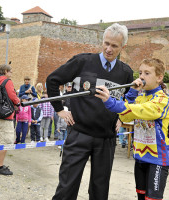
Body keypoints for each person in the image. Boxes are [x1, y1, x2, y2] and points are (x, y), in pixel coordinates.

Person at [46, 23, 133, 200]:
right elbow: (52, 80)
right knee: (67, 187)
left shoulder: (126, 72)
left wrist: (123, 117)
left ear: (123, 47)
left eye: (114, 46)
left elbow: (130, 98)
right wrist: (60, 109)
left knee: (100, 190)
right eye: (106, 43)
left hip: (106, 138)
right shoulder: (82, 62)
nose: (109, 49)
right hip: (79, 134)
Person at [95, 58, 169, 200]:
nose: (141, 77)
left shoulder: (163, 99)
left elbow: (141, 110)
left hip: (157, 160)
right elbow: (126, 117)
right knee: (140, 197)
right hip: (140, 157)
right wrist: (131, 94)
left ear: (159, 78)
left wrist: (111, 102)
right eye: (140, 72)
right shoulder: (140, 97)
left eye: (147, 73)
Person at [0, 64, 20, 176]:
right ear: (6, 71)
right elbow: (12, 96)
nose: (11, 73)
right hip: (6, 115)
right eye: (10, 71)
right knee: (6, 141)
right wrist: (18, 102)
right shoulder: (7, 81)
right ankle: (0, 167)